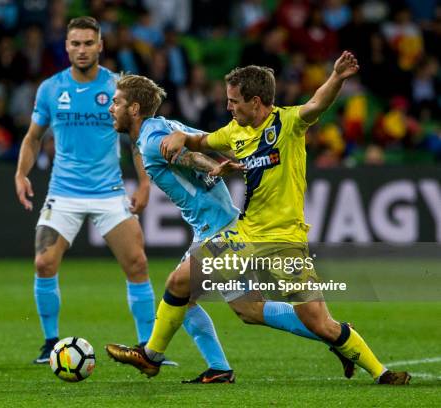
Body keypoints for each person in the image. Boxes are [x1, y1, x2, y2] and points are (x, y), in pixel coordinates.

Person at [154, 52, 410, 385]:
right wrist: (180, 137)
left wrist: (336, 77)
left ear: (256, 101)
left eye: (234, 101)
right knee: (181, 281)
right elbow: (203, 139)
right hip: (243, 237)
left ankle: (382, 373)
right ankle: (151, 355)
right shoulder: (235, 132)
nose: (229, 107)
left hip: (286, 242)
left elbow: (317, 104)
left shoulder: (288, 124)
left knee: (319, 323)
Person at [105, 73, 358, 383]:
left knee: (178, 288)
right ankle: (332, 337)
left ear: (133, 108)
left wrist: (213, 167)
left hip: (219, 229)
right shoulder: (167, 126)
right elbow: (200, 140)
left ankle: (151, 355)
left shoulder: (152, 139)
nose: (110, 108)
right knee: (248, 311)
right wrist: (228, 159)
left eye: (116, 102)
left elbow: (190, 155)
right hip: (211, 225)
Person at [14, 17, 226, 371]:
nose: (81, 50)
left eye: (88, 43)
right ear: (66, 47)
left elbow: (136, 140)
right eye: (75, 43)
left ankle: (147, 345)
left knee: (137, 264)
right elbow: (34, 137)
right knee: (43, 262)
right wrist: (21, 173)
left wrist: (143, 183)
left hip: (109, 191)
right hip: (63, 191)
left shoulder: (116, 87)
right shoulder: (51, 89)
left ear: (100, 46)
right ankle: (50, 341)